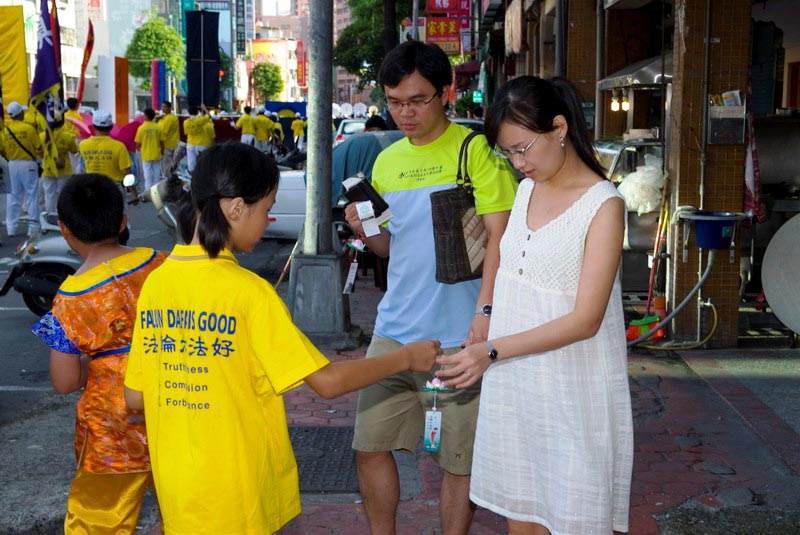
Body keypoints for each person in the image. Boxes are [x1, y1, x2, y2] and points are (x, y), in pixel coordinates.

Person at [123, 142, 442, 535]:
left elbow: (135, 396)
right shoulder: (249, 292)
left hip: (177, 486)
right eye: (265, 208)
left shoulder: (156, 284)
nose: (268, 220)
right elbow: (327, 382)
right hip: (240, 491)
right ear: (235, 208)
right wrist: (405, 358)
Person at [436, 76, 634, 535]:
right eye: (508, 153)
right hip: (516, 384)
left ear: (559, 128)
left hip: (572, 388)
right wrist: (485, 314)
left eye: (523, 149)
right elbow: (506, 262)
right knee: (521, 513)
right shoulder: (526, 189)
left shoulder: (603, 206)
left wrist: (491, 351)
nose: (518, 163)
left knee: (573, 513)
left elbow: (585, 320)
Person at [344, 41, 518, 535]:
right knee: (369, 446)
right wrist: (363, 229)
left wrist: (484, 315)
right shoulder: (386, 161)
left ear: (446, 92)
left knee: (457, 462)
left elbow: (501, 239)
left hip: (459, 337)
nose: (405, 113)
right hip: (393, 331)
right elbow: (390, 249)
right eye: (395, 102)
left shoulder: (476, 151)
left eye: (418, 100)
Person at [30, 174, 166, 534]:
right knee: (187, 511)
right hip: (176, 408)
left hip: (112, 431)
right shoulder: (162, 263)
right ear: (122, 222)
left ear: (64, 229)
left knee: (98, 519)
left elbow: (65, 381)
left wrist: (96, 361)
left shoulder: (69, 298)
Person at [1, 101, 42, 237]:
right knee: (31, 195)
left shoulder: (5, 131)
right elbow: (39, 147)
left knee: (13, 196)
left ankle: (11, 228)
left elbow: (3, 150)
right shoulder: (29, 129)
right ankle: (33, 228)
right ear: (20, 114)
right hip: (28, 164)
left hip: (11, 164)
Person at [79, 109, 136, 199]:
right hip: (113, 189)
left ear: (93, 127)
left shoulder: (83, 145)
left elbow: (83, 167)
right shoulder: (119, 146)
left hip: (92, 189)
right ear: (111, 127)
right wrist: (134, 193)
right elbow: (126, 172)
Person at [39, 118, 79, 212]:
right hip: (64, 170)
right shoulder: (67, 136)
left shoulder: (42, 136)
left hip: (48, 169)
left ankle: (50, 216)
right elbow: (74, 150)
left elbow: (39, 152)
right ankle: (61, 215)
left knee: (49, 195)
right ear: (61, 123)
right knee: (63, 194)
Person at [134, 108, 165, 190]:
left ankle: (148, 190)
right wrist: (162, 151)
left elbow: (138, 143)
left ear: (147, 116)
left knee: (147, 174)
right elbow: (161, 141)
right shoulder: (158, 127)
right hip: (156, 154)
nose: (143, 116)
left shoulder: (141, 128)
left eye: (144, 115)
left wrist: (138, 148)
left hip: (146, 154)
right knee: (157, 173)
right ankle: (156, 189)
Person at [183, 105, 212, 173]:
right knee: (202, 164)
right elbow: (209, 116)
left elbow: (186, 133)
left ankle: (192, 177)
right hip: (201, 144)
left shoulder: (185, 122)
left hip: (190, 144)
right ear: (197, 112)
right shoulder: (200, 120)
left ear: (188, 112)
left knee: (191, 165)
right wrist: (204, 108)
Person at [158, 101, 179, 176]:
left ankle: (167, 178)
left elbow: (164, 132)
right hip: (172, 143)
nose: (163, 108)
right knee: (169, 163)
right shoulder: (166, 117)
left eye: (165, 107)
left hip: (167, 144)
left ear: (169, 108)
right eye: (162, 107)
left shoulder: (169, 118)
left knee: (166, 164)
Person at [64, 98, 85, 173]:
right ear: (77, 105)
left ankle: (71, 172)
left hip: (67, 138)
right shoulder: (79, 116)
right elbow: (82, 128)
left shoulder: (64, 116)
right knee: (78, 158)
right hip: (77, 139)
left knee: (70, 157)